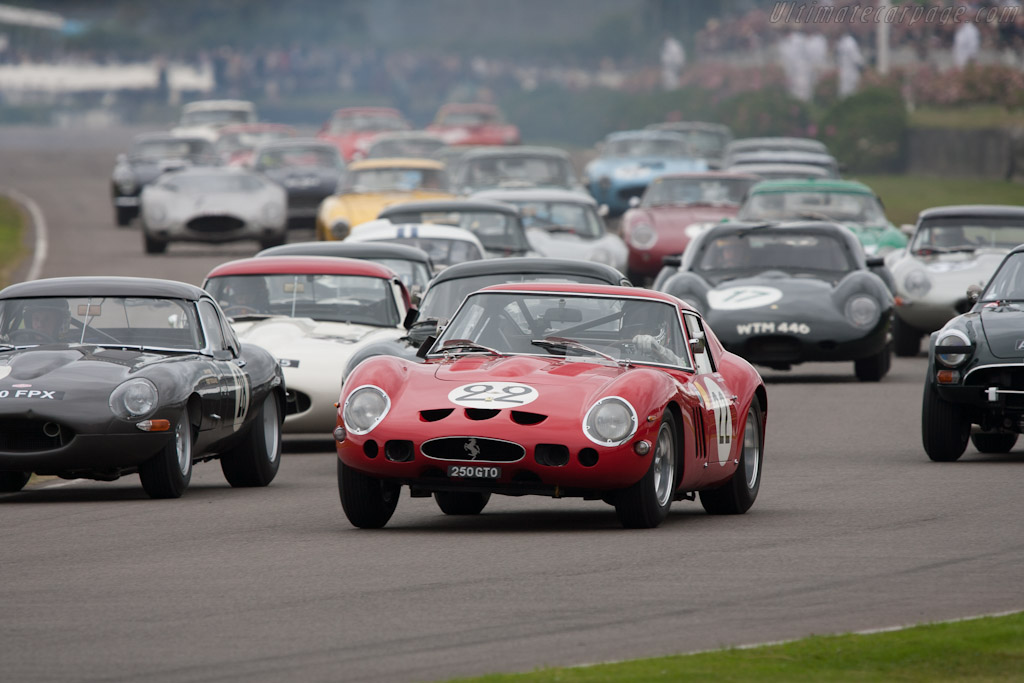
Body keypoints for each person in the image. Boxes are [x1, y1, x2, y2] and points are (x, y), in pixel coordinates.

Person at [836, 31, 865, 98]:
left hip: (846, 73)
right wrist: (864, 67)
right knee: (851, 94)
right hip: (851, 73)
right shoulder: (849, 42)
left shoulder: (844, 42)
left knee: (845, 94)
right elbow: (857, 59)